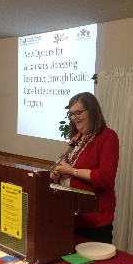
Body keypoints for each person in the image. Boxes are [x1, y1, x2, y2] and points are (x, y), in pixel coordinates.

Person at [50, 92, 119, 244]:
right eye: (71, 114)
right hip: (71, 215)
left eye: (78, 112)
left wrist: (70, 171)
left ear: (92, 111)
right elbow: (64, 170)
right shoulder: (76, 139)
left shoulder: (108, 137)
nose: (74, 117)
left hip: (94, 218)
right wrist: (57, 176)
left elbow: (104, 178)